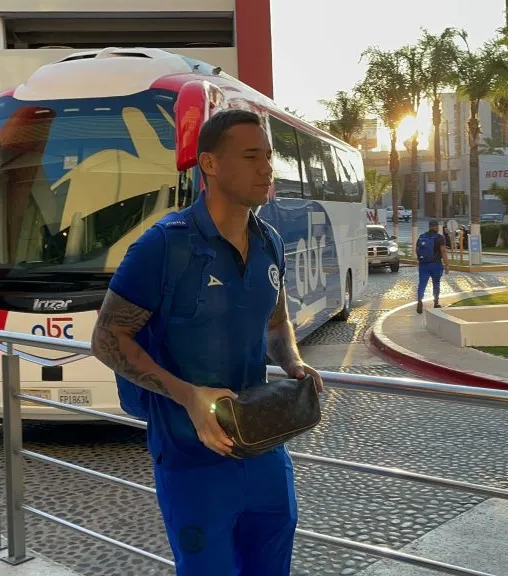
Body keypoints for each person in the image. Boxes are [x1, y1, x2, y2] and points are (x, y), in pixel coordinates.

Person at [90, 109, 323, 576]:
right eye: (251, 156)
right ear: (210, 164)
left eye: (268, 156)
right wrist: (189, 397)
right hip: (190, 458)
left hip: (263, 448)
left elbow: (276, 322)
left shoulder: (270, 242)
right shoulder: (164, 246)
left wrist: (294, 363)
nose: (267, 168)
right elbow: (106, 338)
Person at [414, 220, 449, 313]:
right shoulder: (440, 238)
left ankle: (419, 301)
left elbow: (417, 250)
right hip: (436, 264)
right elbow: (443, 251)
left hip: (423, 265)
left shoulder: (422, 237)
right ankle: (436, 302)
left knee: (422, 283)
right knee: (436, 283)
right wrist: (447, 264)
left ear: (429, 227)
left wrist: (421, 259)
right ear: (436, 227)